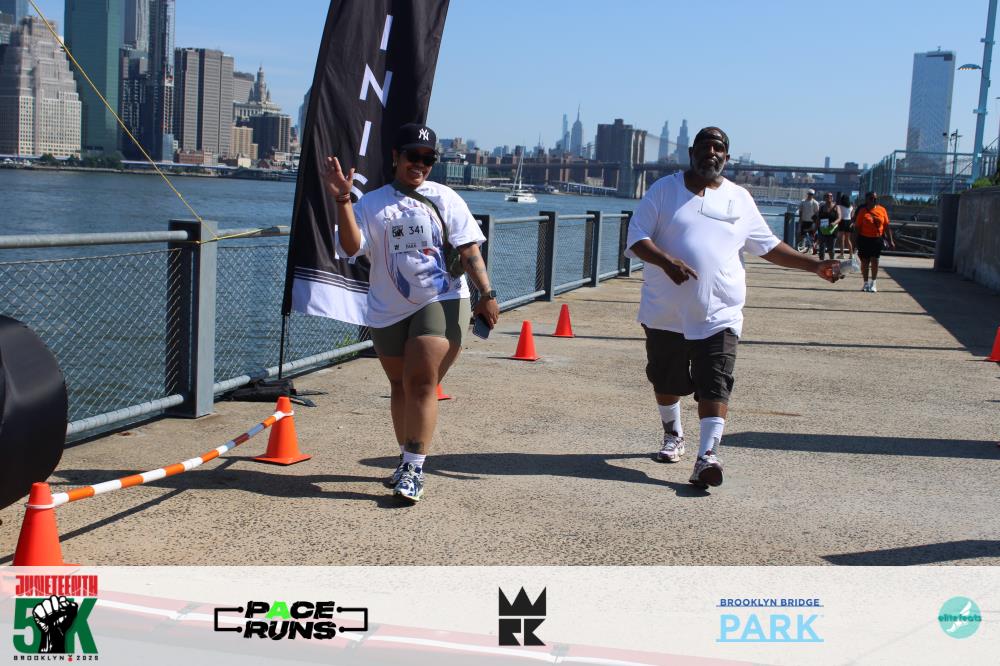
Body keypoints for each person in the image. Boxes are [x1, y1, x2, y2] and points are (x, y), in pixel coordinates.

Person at [625, 127, 842, 489]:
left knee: (716, 382)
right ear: (692, 152)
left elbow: (769, 246)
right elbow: (636, 238)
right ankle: (674, 434)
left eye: (719, 148)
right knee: (666, 380)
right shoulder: (664, 190)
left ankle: (707, 457)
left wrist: (813, 265)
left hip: (720, 313)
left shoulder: (739, 198)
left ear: (726, 157)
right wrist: (666, 261)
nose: (711, 152)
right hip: (666, 312)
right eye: (705, 146)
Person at [324, 123, 500, 502]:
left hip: (442, 298)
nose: (419, 164)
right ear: (395, 157)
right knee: (399, 385)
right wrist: (343, 200)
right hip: (388, 308)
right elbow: (352, 248)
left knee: (421, 381)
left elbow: (469, 249)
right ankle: (406, 458)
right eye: (412, 156)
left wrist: (487, 293)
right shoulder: (371, 203)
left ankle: (414, 468)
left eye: (427, 158)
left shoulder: (446, 198)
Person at [852, 191, 895, 293]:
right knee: (865, 262)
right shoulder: (862, 211)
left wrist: (891, 240)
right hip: (864, 239)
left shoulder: (882, 210)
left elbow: (886, 226)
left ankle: (874, 283)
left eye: (875, 198)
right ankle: (865, 283)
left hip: (877, 239)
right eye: (871, 198)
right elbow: (857, 228)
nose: (873, 200)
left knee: (875, 261)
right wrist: (854, 243)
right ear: (866, 200)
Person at [816, 192, 841, 261]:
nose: (829, 197)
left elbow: (839, 218)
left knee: (831, 248)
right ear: (824, 198)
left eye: (830, 196)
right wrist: (816, 229)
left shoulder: (836, 207)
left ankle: (832, 261)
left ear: (832, 198)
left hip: (832, 230)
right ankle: (821, 262)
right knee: (821, 247)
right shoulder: (822, 207)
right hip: (822, 229)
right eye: (827, 196)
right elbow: (818, 218)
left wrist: (834, 223)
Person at [836, 193, 854, 259]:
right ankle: (851, 255)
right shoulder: (851, 207)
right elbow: (852, 216)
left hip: (842, 222)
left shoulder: (839, 206)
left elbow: (838, 215)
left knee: (842, 239)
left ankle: (842, 254)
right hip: (849, 222)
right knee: (848, 239)